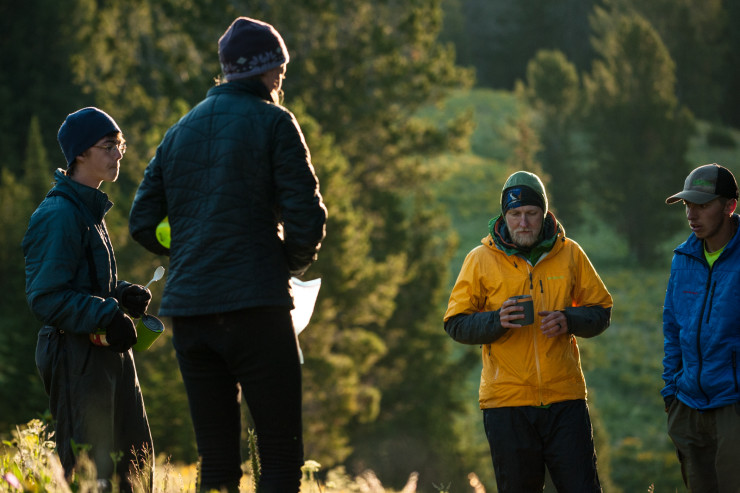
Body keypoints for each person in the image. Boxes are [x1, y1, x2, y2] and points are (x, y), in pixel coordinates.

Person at [128, 16, 327, 493]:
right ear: (266, 70)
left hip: (191, 313)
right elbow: (308, 218)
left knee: (215, 460)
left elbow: (142, 221)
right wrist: (287, 267)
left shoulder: (179, 132)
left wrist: (192, 243)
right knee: (279, 455)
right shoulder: (276, 122)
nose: (282, 79)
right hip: (256, 304)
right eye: (280, 68)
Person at [444, 171, 613, 493]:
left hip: (565, 399)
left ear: (545, 214)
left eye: (531, 214)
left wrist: (569, 319)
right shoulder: (480, 259)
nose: (523, 222)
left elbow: (601, 311)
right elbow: (455, 323)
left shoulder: (570, 253)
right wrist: (497, 320)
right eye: (515, 214)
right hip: (506, 403)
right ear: (504, 216)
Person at [22, 107, 154, 491]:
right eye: (109, 145)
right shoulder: (59, 213)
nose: (119, 154)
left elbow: (84, 284)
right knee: (92, 472)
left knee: (134, 462)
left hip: (105, 354)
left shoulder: (90, 210)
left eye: (121, 145)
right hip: (75, 357)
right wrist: (106, 313)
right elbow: (45, 297)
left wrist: (120, 294)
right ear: (80, 153)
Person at [662, 163, 740, 492]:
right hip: (688, 406)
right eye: (688, 205)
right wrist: (671, 394)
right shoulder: (683, 257)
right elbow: (672, 329)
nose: (692, 215)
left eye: (703, 205)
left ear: (729, 206)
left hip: (731, 406)